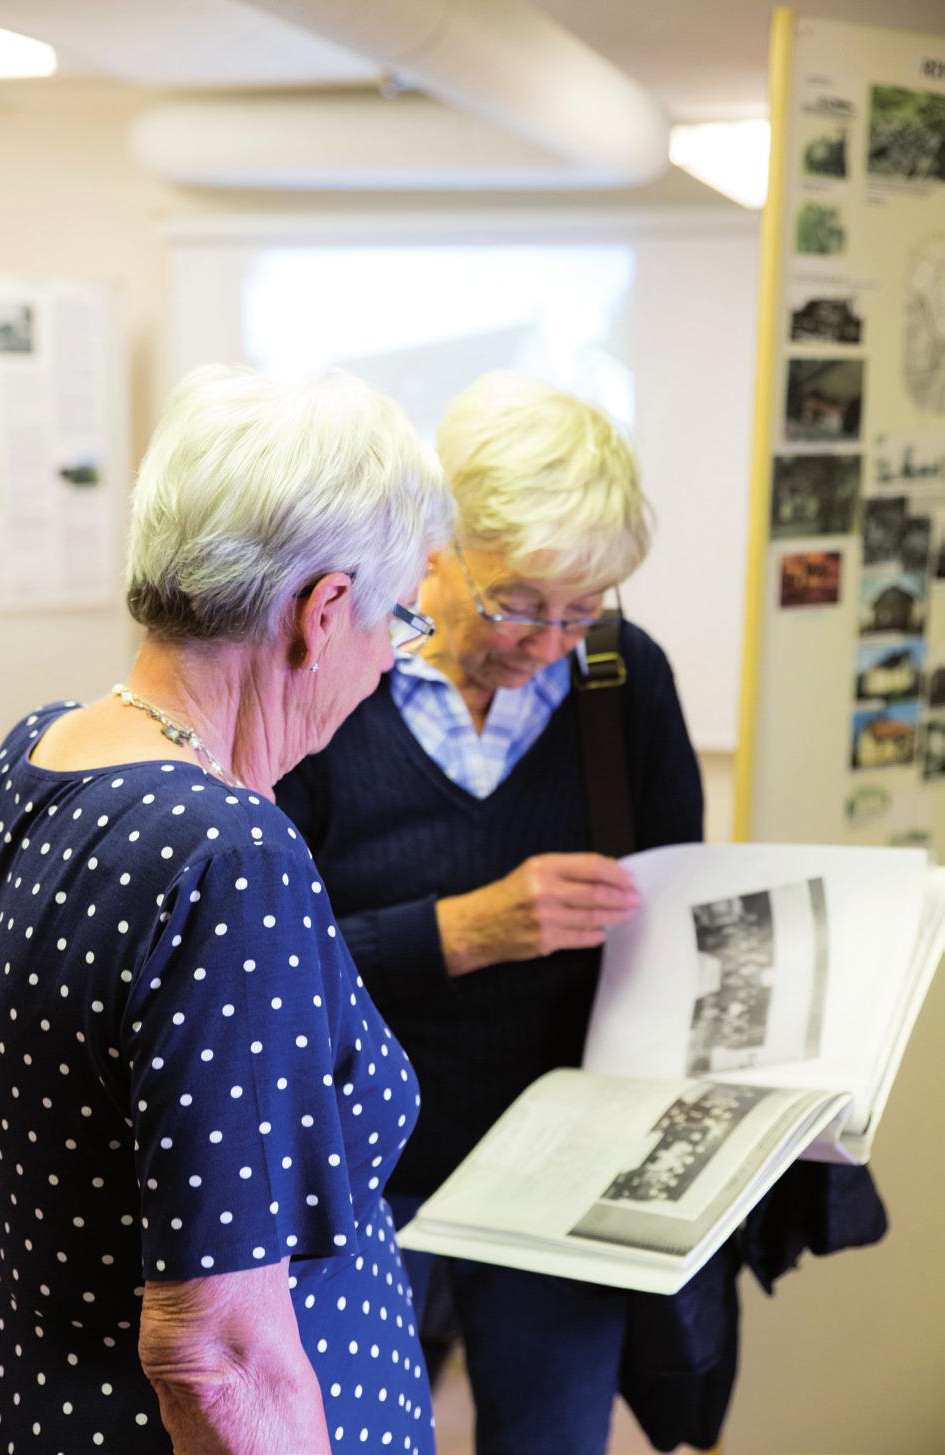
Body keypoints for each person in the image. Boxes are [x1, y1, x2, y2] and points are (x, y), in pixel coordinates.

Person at [0, 362, 454, 1454]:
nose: (390, 661)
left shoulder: (43, 752)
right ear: (325, 611)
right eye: (398, 622)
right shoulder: (228, 858)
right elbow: (216, 1351)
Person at [276, 371, 704, 1455]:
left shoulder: (620, 679)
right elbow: (264, 969)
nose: (548, 640)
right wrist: (460, 931)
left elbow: (682, 911)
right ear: (433, 540)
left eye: (583, 609)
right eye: (517, 600)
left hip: (559, 1167)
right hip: (359, 1169)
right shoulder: (331, 674)